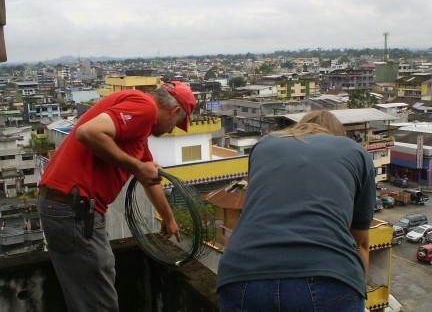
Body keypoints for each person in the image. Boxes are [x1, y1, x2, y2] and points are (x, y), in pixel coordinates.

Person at [37, 81, 196, 312]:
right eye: (177, 123)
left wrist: (168, 218)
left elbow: (149, 177)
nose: (172, 129)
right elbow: (87, 132)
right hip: (74, 209)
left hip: (64, 206)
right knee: (98, 302)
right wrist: (138, 167)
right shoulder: (145, 107)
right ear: (174, 111)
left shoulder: (139, 133)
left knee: (87, 297)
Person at [217, 110, 376, 311]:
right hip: (330, 276)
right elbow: (360, 244)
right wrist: (358, 292)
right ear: (337, 135)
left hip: (241, 273)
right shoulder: (355, 151)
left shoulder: (264, 145)